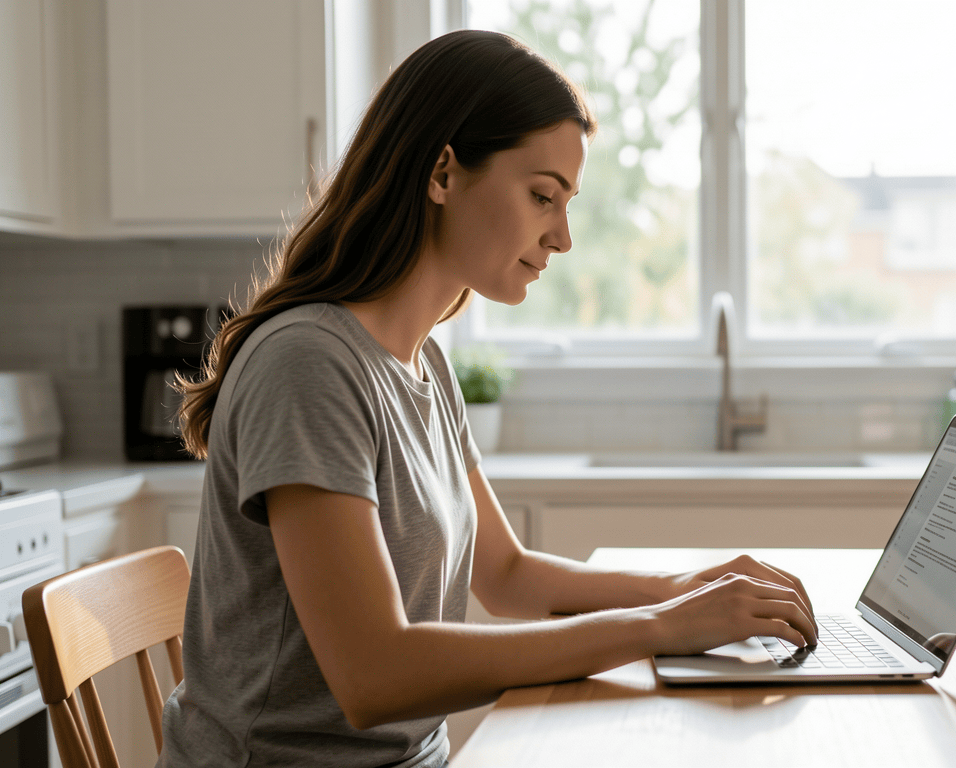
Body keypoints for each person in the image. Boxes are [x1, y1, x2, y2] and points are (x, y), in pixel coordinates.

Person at [158, 30, 817, 767]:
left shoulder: (424, 365)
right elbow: (376, 675)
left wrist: (687, 591)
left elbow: (506, 576)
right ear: (443, 171)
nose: (561, 238)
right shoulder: (308, 364)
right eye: (542, 196)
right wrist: (659, 626)